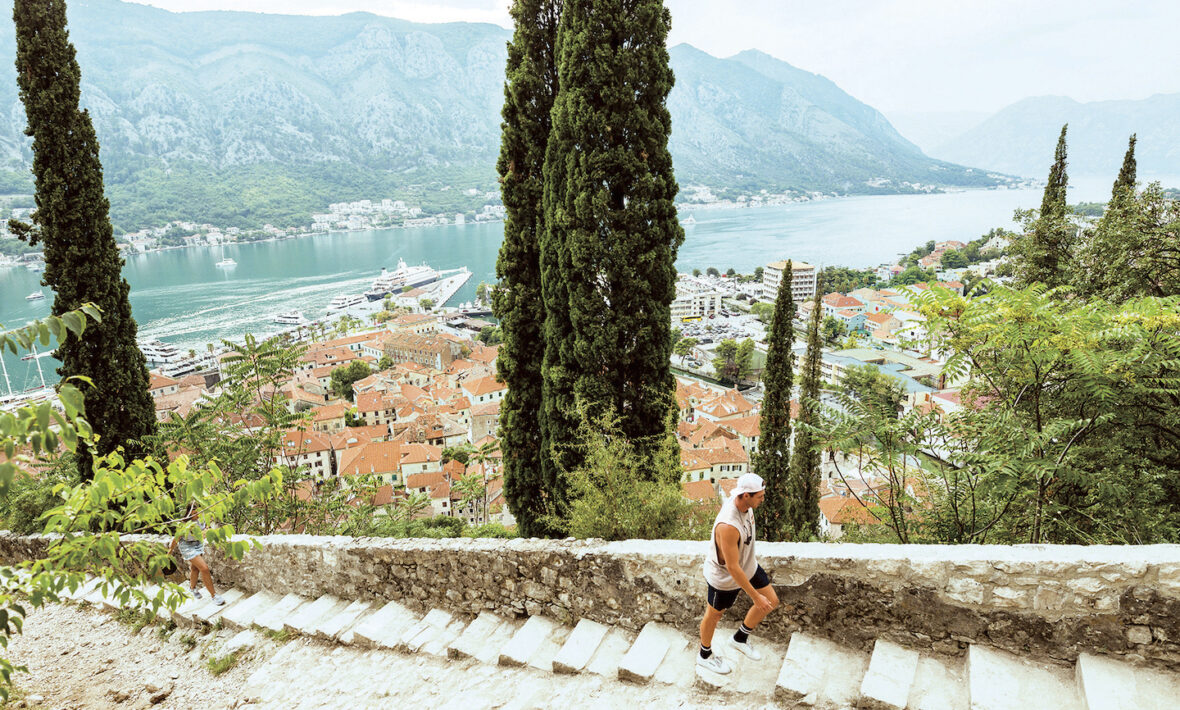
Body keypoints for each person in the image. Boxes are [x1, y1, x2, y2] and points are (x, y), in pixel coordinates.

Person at [697, 473, 779, 675]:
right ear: (745, 495)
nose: (763, 500)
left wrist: (760, 597)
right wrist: (754, 596)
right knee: (714, 615)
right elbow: (732, 567)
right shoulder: (728, 526)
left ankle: (739, 639)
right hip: (724, 578)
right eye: (759, 496)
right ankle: (704, 655)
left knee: (771, 600)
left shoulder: (747, 506)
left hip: (749, 567)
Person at [168, 503, 225, 606]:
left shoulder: (202, 519)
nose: (197, 514)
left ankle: (192, 588)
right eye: (194, 513)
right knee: (204, 568)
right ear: (189, 513)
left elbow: (205, 530)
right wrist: (169, 551)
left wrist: (207, 530)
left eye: (198, 512)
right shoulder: (184, 524)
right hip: (186, 546)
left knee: (195, 568)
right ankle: (214, 595)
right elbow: (176, 538)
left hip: (198, 544)